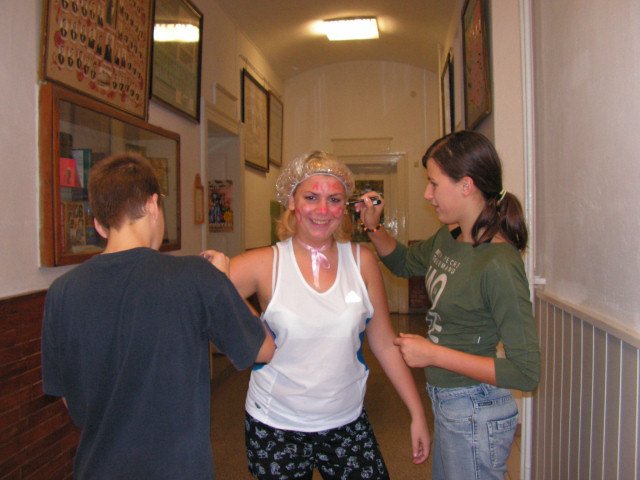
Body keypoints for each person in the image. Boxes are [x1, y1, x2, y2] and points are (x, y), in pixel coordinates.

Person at [41, 152, 275, 479]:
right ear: (152, 205)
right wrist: (224, 283)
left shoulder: (61, 292)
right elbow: (263, 349)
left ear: (99, 225)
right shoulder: (196, 276)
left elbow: (73, 403)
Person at [204, 151, 430, 479]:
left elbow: (384, 343)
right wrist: (247, 315)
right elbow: (201, 293)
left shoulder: (362, 262)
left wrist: (417, 412)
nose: (323, 210)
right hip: (275, 423)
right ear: (292, 201)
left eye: (334, 199)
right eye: (311, 197)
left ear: (345, 206)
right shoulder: (265, 263)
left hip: (346, 420)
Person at [357, 131, 540, 480]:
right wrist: (374, 226)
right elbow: (405, 262)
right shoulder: (451, 236)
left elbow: (526, 372)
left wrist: (434, 354)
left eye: (433, 184)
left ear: (466, 185)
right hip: (450, 402)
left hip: (475, 407)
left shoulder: (498, 264)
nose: (427, 195)